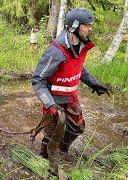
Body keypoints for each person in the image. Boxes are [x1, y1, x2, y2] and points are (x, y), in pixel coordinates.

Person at [31, 8, 110, 158]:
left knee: (78, 127)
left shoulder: (81, 45)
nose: (90, 29)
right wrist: (49, 104)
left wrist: (94, 84)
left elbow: (78, 68)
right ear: (74, 26)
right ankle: (44, 159)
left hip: (71, 97)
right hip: (54, 100)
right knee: (52, 133)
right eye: (87, 25)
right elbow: (37, 80)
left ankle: (62, 149)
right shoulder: (56, 51)